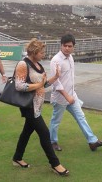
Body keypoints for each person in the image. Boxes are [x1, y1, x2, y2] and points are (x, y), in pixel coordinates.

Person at [12, 38, 69, 176]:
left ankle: (17, 158)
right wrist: (38, 85)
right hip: (29, 106)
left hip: (37, 106)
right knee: (44, 133)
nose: (44, 54)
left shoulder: (38, 65)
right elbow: (19, 86)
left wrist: (55, 77)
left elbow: (43, 85)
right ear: (34, 51)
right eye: (42, 52)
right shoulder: (23, 64)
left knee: (26, 132)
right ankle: (55, 164)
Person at [49, 33, 102, 152]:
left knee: (81, 117)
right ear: (61, 46)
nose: (67, 48)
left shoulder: (70, 57)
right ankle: (52, 142)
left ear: (73, 47)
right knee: (56, 121)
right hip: (61, 98)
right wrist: (67, 96)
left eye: (70, 46)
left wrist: (72, 94)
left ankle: (92, 141)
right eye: (65, 46)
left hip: (72, 96)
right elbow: (56, 82)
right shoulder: (55, 60)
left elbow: (69, 78)